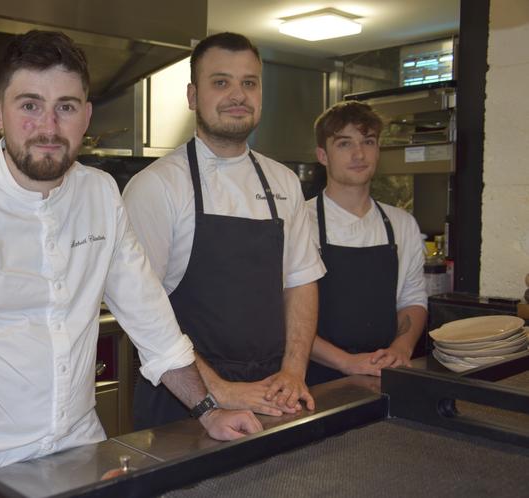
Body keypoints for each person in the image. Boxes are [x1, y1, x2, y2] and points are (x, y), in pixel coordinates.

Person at [0, 30, 262, 497]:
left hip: (78, 459)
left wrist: (209, 410)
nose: (50, 127)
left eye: (67, 107)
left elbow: (153, 324)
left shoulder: (100, 195)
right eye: (30, 105)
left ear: (86, 116)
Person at [122, 32, 326, 430]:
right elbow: (143, 312)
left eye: (249, 82)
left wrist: (293, 372)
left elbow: (302, 282)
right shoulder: (158, 186)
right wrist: (217, 390)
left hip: (272, 395)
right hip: (183, 403)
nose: (238, 95)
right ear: (193, 96)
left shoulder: (284, 183)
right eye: (221, 82)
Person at [304, 101, 428, 385]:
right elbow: (284, 314)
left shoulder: (402, 224)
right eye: (344, 144)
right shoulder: (300, 223)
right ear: (323, 155)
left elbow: (412, 299)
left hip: (383, 375)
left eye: (368, 142)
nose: (359, 154)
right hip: (314, 381)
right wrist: (346, 363)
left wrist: (401, 348)